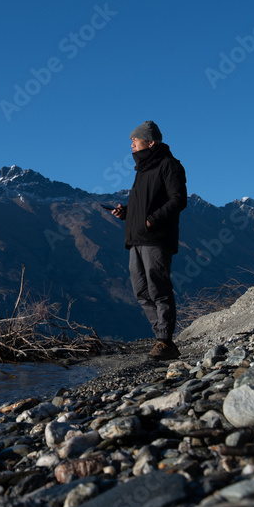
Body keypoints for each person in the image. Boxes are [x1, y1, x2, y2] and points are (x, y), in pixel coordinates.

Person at [111, 121, 187, 359]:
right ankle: (162, 340)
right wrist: (127, 214)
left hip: (156, 239)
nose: (132, 144)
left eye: (136, 140)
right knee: (141, 291)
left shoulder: (169, 165)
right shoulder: (142, 171)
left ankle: (164, 340)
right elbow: (143, 206)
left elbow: (178, 200)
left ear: (150, 142)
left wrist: (150, 221)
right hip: (135, 239)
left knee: (159, 288)